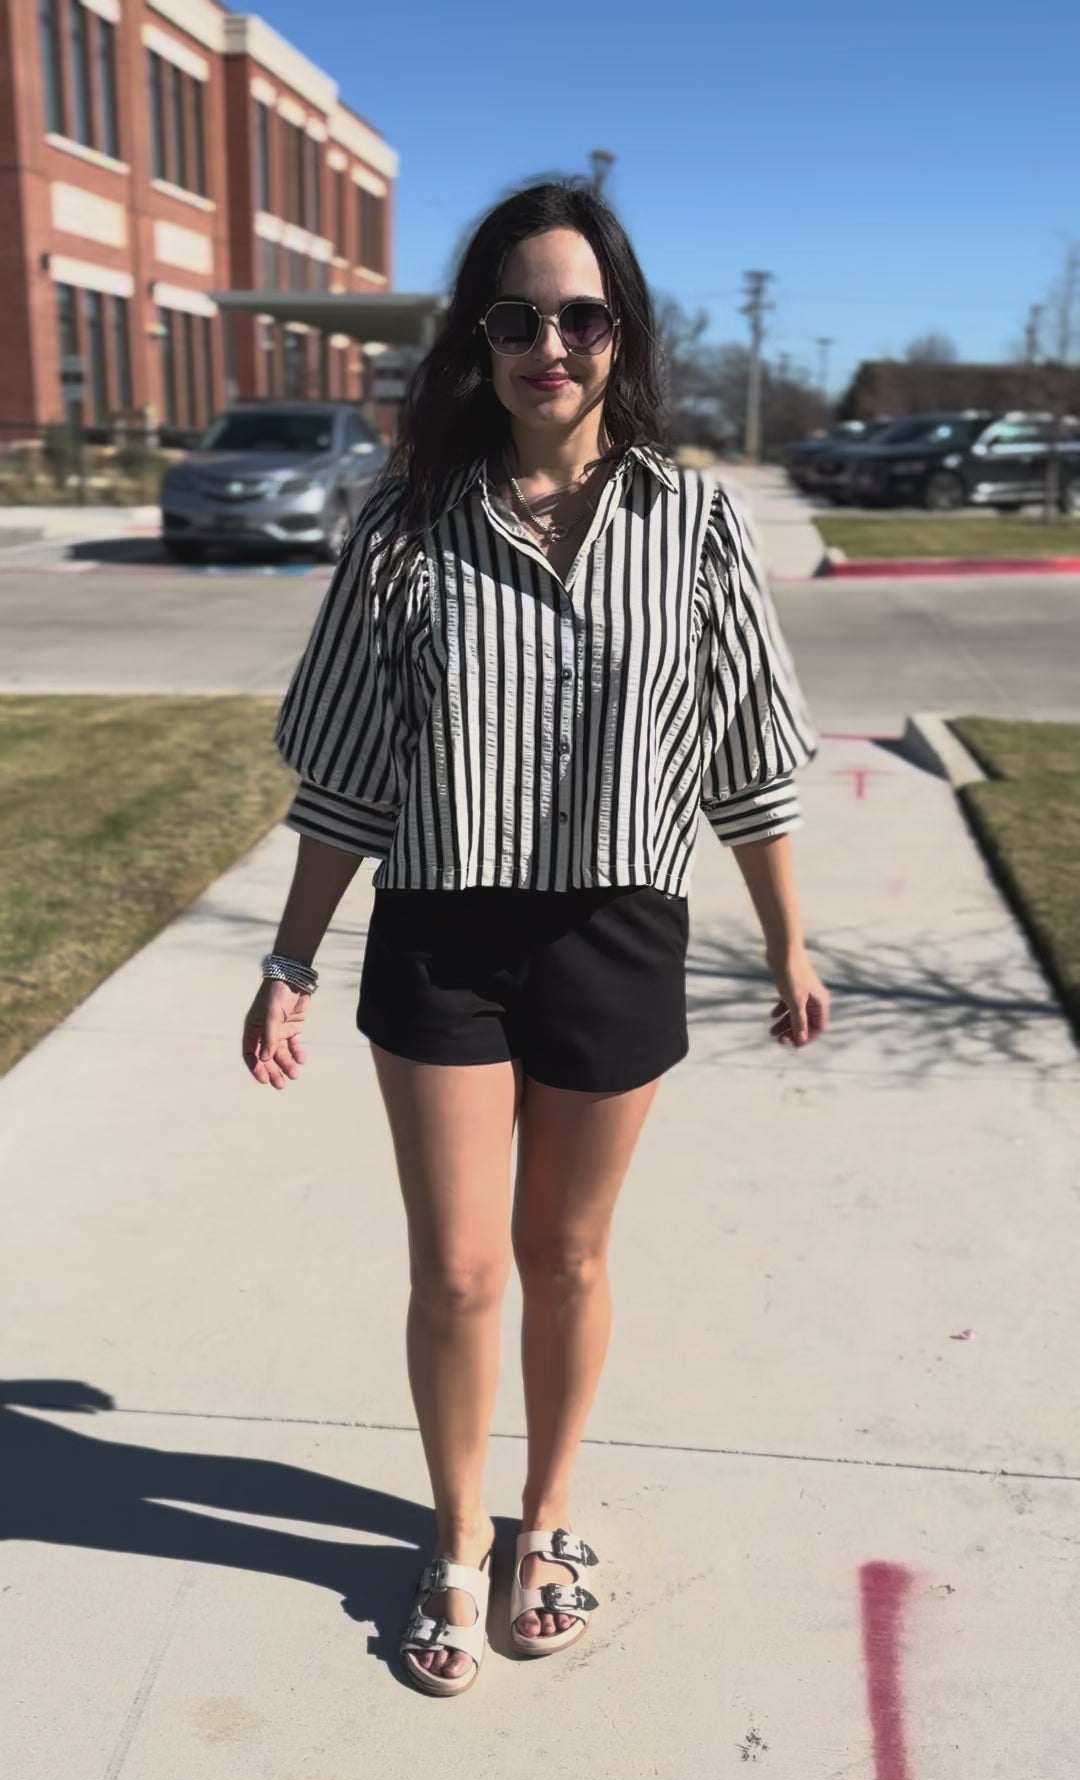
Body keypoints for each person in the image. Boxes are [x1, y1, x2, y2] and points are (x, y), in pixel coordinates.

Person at [242, 181, 829, 1698]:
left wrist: (788, 946)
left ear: (620, 337)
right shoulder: (406, 527)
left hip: (614, 934)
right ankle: (451, 1537)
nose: (548, 343)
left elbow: (748, 760)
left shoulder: (697, 523)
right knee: (455, 1269)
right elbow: (353, 773)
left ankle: (547, 1517)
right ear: (480, 342)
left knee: (563, 1253)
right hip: (439, 935)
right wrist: (290, 959)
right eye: (516, 317)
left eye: (578, 316)